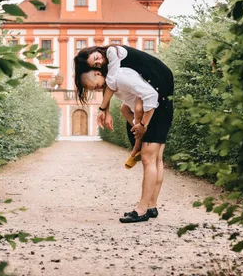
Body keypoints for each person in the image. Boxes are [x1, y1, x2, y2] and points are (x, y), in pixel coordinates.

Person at [74, 45, 174, 223]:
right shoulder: (115, 81)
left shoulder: (118, 73)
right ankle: (151, 206)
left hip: (157, 105)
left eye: (96, 87)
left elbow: (150, 96)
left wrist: (142, 124)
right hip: (159, 103)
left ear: (98, 73)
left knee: (148, 159)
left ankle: (142, 210)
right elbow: (129, 101)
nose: (99, 90)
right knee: (156, 159)